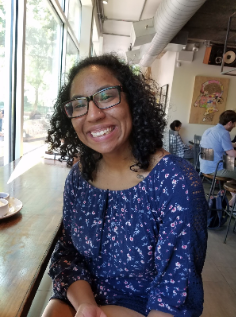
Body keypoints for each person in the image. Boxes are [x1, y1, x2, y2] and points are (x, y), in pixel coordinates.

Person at [42, 54, 208, 317]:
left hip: (143, 306)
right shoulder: (79, 176)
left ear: (132, 101)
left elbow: (175, 291)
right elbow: (68, 254)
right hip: (80, 296)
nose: (94, 115)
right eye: (79, 104)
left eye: (106, 96)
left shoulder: (175, 181)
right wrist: (86, 305)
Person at [200, 110, 236, 205]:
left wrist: (232, 145)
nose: (234, 126)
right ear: (229, 123)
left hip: (205, 166)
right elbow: (232, 153)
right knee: (231, 163)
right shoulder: (224, 133)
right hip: (215, 169)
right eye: (234, 123)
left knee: (230, 163)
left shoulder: (209, 130)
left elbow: (218, 144)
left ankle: (234, 195)